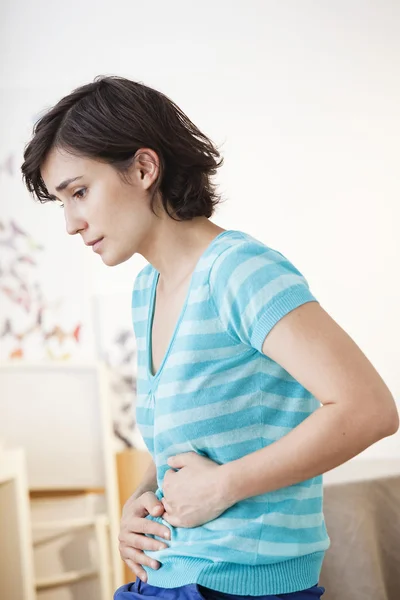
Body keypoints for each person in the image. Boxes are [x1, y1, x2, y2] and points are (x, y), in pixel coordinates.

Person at [21, 75, 398, 600]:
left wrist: (225, 485)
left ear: (144, 168)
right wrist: (142, 497)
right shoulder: (147, 288)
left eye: (79, 192)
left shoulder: (239, 271)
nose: (71, 223)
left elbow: (369, 408)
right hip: (168, 578)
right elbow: (186, 441)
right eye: (62, 202)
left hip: (238, 587)